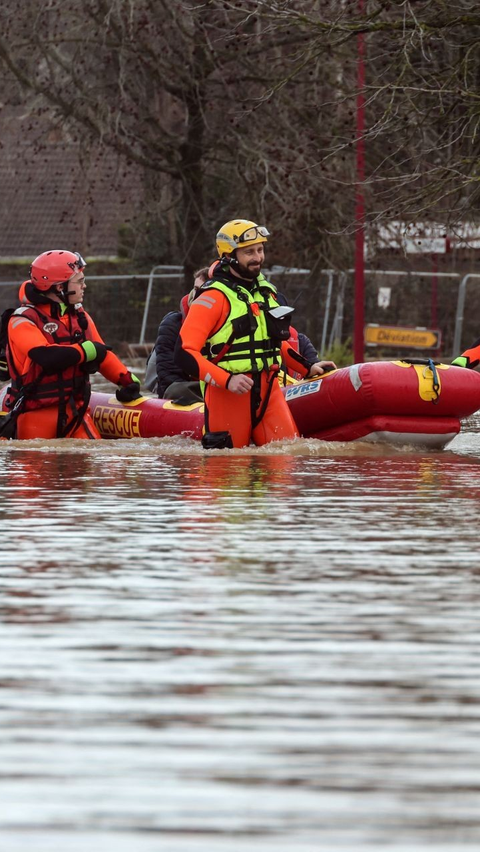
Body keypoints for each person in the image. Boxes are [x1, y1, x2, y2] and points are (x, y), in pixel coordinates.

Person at [175, 218, 336, 448]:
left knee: (287, 459)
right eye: (249, 252)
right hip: (228, 394)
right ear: (229, 256)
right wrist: (227, 380)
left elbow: (273, 342)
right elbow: (184, 353)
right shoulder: (212, 297)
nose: (258, 258)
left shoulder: (265, 293)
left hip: (269, 390)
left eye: (260, 250)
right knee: (228, 475)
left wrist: (307, 366)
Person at [4, 249, 142, 439]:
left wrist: (126, 379)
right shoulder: (21, 319)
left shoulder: (79, 316)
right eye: (79, 281)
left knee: (94, 460)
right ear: (60, 287)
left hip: (75, 413)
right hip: (35, 415)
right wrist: (86, 351)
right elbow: (45, 356)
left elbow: (101, 353)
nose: (84, 286)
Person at [144, 267, 209, 403]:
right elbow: (167, 374)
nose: (197, 296)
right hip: (181, 391)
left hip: (215, 389)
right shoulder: (172, 324)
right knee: (177, 390)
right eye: (196, 290)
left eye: (204, 291)